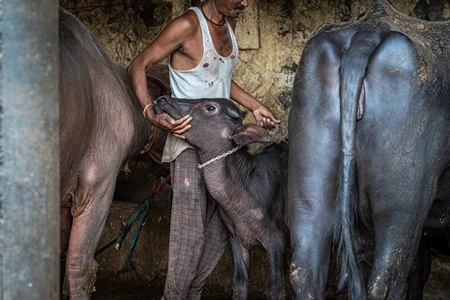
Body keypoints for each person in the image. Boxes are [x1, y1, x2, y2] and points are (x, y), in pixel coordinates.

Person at [127, 0, 280, 298]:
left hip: (222, 150)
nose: (245, 3)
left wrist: (255, 106)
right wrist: (151, 114)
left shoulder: (229, 22)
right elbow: (138, 66)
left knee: (221, 229)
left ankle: (192, 294)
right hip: (188, 143)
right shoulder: (186, 26)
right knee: (189, 233)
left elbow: (222, 78)